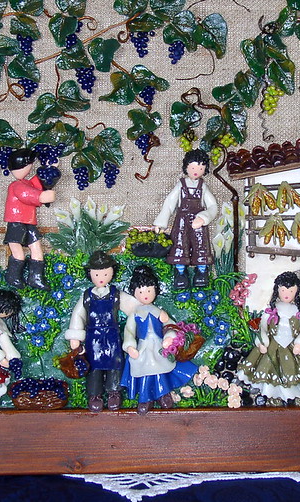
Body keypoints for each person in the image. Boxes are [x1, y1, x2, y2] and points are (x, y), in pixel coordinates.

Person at [64, 251, 138, 413]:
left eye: (105, 273)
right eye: (97, 274)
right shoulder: (87, 296)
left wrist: (136, 324)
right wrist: (75, 336)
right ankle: (94, 394)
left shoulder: (116, 295)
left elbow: (134, 308)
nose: (101, 277)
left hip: (112, 336)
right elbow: (78, 315)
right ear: (90, 274)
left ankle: (114, 392)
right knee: (93, 366)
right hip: (93, 337)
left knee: (115, 364)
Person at [120, 265, 197, 414]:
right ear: (134, 293)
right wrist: (130, 346)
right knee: (144, 370)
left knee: (161, 369)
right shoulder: (134, 314)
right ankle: (145, 398)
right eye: (141, 291)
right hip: (143, 346)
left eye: (149, 290)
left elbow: (170, 326)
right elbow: (129, 331)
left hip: (158, 344)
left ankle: (163, 394)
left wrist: (169, 337)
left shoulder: (159, 312)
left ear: (155, 290)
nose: (145, 295)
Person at [236, 271, 300, 403]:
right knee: (271, 370)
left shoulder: (297, 311)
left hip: (292, 346)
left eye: (291, 291)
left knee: (293, 371)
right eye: (283, 290)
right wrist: (262, 342)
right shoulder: (271, 310)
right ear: (277, 290)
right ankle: (274, 396)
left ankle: (297, 395)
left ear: (296, 292)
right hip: (273, 346)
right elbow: (263, 327)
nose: (287, 294)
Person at [153, 149, 218, 289]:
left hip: (197, 221)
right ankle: (180, 272)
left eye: (200, 168)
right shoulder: (181, 185)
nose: (196, 171)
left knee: (201, 244)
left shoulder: (203, 187)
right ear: (186, 167)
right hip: (181, 220)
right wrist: (161, 223)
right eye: (193, 167)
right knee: (179, 243)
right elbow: (169, 203)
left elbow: (213, 206)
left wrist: (203, 217)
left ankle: (202, 271)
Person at [3, 148, 57, 290]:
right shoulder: (16, 185)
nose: (30, 167)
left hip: (29, 222)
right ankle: (13, 277)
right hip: (16, 223)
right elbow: (27, 195)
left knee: (36, 247)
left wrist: (50, 169)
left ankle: (35, 278)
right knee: (18, 251)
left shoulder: (26, 183)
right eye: (29, 165)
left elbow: (36, 182)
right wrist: (42, 197)